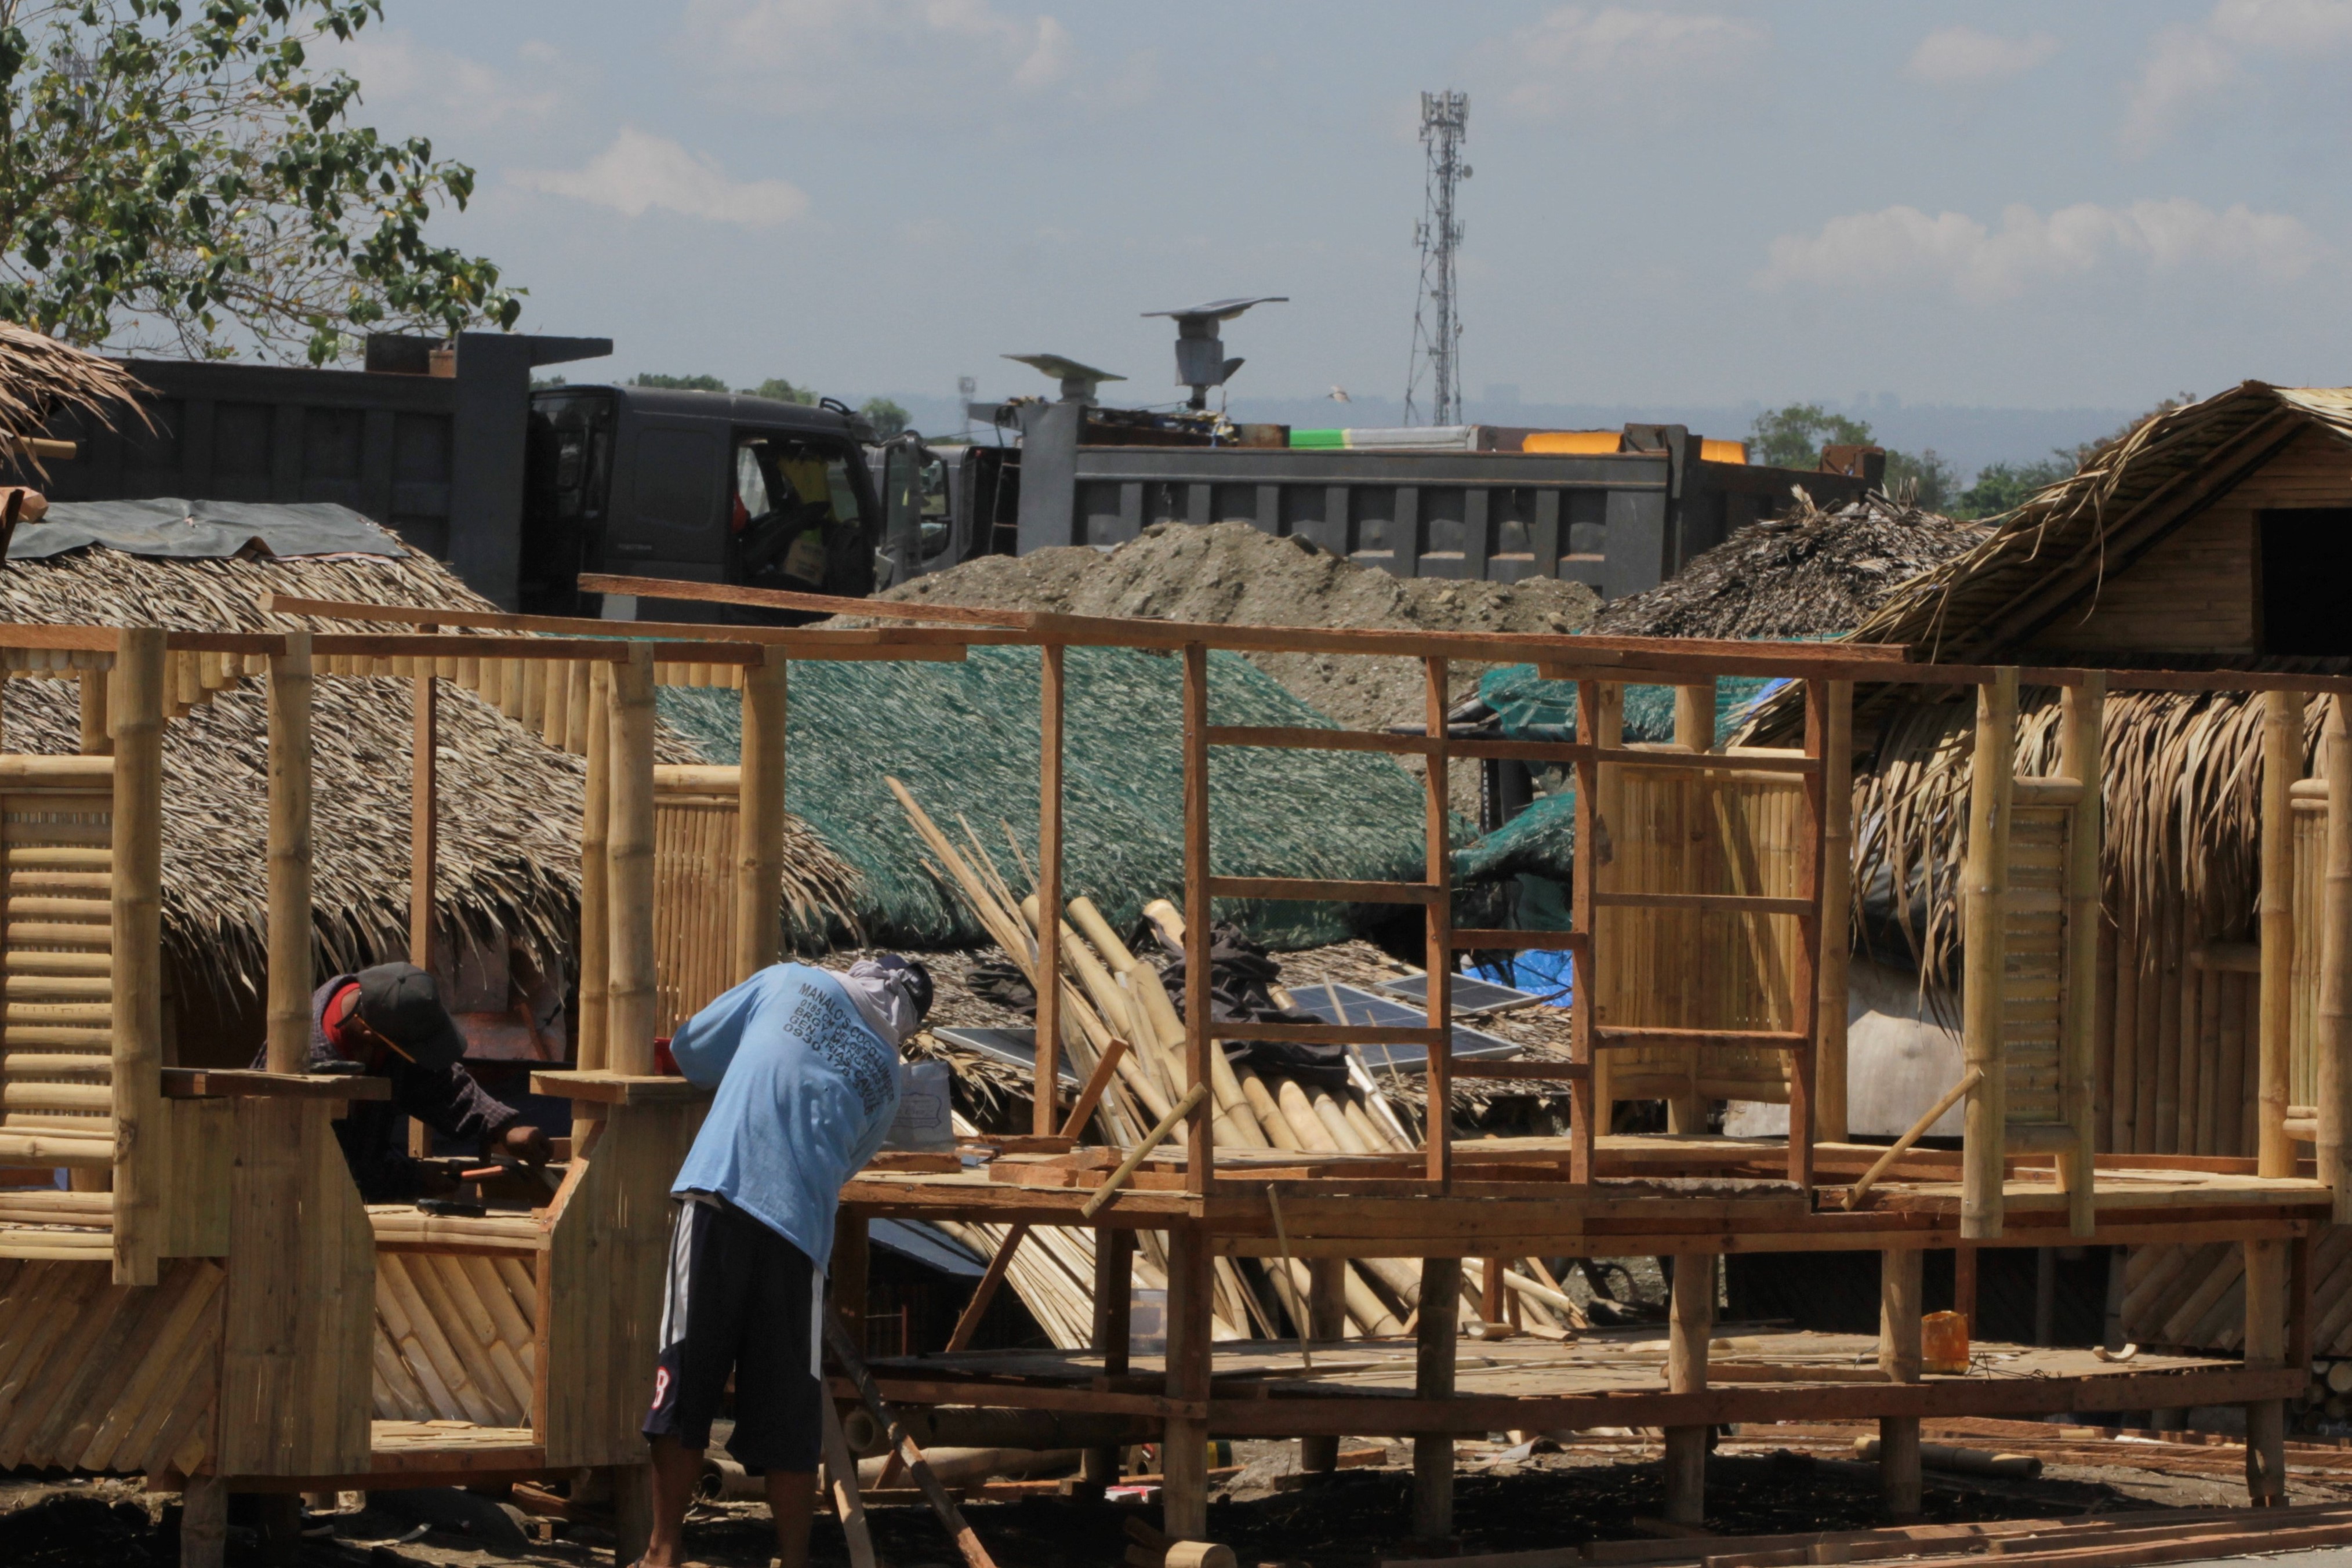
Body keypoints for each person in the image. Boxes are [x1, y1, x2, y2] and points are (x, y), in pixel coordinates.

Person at [637, 954, 934, 1568]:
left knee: (686, 1381)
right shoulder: (888, 1075)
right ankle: (794, 1561)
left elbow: (692, 1052)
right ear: (905, 1025)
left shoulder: (791, 981)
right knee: (787, 1413)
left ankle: (663, 1551)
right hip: (800, 1234)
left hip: (723, 1192)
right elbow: (845, 1164)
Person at [264, 960, 551, 1202]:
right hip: (299, 1204)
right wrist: (413, 1180)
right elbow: (340, 1166)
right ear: (369, 1035)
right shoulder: (306, 1060)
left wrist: (503, 1128)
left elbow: (438, 1083)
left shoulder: (384, 1012)